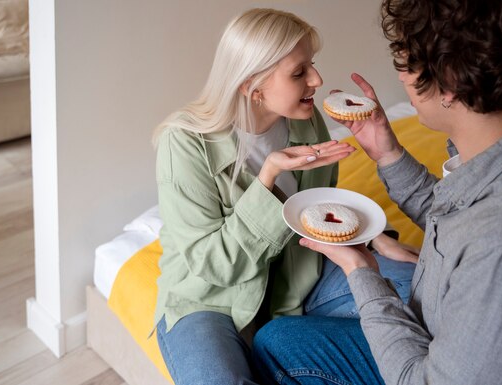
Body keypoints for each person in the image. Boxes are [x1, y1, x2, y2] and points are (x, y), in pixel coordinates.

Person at [252, 0, 502, 384]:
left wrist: (361, 268)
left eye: (405, 63)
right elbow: (463, 223)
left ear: (451, 85)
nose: (402, 78)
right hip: (465, 329)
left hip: (436, 370)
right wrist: (388, 153)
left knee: (276, 346)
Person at [151, 8, 417, 385]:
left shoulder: (304, 119)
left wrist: (373, 239)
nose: (317, 79)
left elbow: (317, 206)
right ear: (251, 85)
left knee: (422, 294)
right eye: (299, 73)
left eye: (312, 65)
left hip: (301, 275)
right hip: (210, 299)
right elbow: (212, 265)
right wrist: (268, 177)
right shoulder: (184, 144)